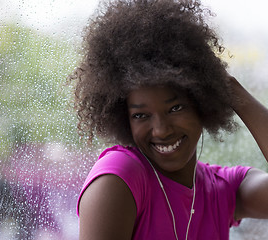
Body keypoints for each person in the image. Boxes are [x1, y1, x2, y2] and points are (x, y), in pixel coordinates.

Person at [69, 0, 268, 239]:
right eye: (141, 115)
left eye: (175, 108)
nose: (161, 130)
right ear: (124, 119)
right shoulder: (120, 177)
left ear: (203, 104)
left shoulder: (222, 189)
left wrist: (233, 93)